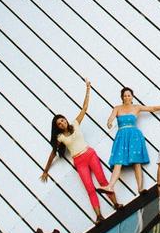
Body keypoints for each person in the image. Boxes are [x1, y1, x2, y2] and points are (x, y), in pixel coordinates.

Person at [40, 80, 119, 221]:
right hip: (79, 161)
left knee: (102, 181)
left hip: (90, 154)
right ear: (58, 127)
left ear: (65, 120)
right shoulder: (60, 137)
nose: (62, 123)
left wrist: (88, 89)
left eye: (63, 120)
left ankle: (116, 204)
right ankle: (99, 215)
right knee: (89, 188)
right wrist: (46, 170)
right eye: (59, 124)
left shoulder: (75, 123)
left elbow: (84, 108)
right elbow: (53, 153)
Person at [106, 87, 160, 193]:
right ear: (122, 97)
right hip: (121, 136)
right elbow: (111, 117)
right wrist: (109, 122)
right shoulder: (117, 108)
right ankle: (110, 186)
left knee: (137, 162)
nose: (127, 97)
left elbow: (152, 108)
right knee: (118, 161)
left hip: (134, 136)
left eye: (129, 95)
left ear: (132, 96)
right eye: (125, 95)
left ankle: (140, 188)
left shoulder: (136, 107)